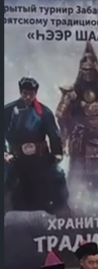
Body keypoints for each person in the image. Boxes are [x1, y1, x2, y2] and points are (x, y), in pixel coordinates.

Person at [55, 42, 98, 214]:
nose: (87, 74)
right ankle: (76, 212)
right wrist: (65, 139)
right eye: (84, 70)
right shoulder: (71, 93)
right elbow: (62, 117)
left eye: (90, 70)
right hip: (80, 141)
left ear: (96, 70)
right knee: (77, 179)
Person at [4, 76, 69, 216]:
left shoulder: (44, 112)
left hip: (40, 158)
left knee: (57, 177)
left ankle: (62, 212)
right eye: (25, 93)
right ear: (20, 92)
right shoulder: (7, 111)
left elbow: (53, 134)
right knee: (5, 181)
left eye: (31, 94)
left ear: (35, 93)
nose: (28, 97)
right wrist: (4, 153)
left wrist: (57, 154)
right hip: (15, 157)